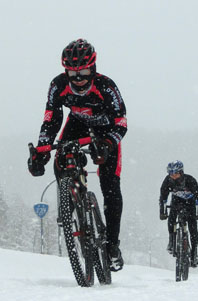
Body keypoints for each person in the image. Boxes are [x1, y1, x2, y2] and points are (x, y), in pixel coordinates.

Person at [27, 38, 127, 271]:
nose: (78, 78)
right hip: (77, 124)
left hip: (106, 130)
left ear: (93, 68)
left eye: (82, 71)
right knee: (59, 156)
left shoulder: (106, 86)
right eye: (72, 72)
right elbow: (51, 118)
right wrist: (41, 150)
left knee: (110, 186)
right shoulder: (58, 85)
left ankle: (112, 245)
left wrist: (108, 144)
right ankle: (70, 202)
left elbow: (121, 123)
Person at [159, 160, 198, 267]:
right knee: (171, 219)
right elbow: (163, 197)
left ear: (181, 172)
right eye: (171, 173)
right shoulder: (168, 181)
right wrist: (162, 211)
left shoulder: (190, 180)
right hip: (176, 201)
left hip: (190, 203)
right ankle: (171, 240)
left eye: (176, 173)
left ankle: (194, 253)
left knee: (193, 227)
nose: (173, 176)